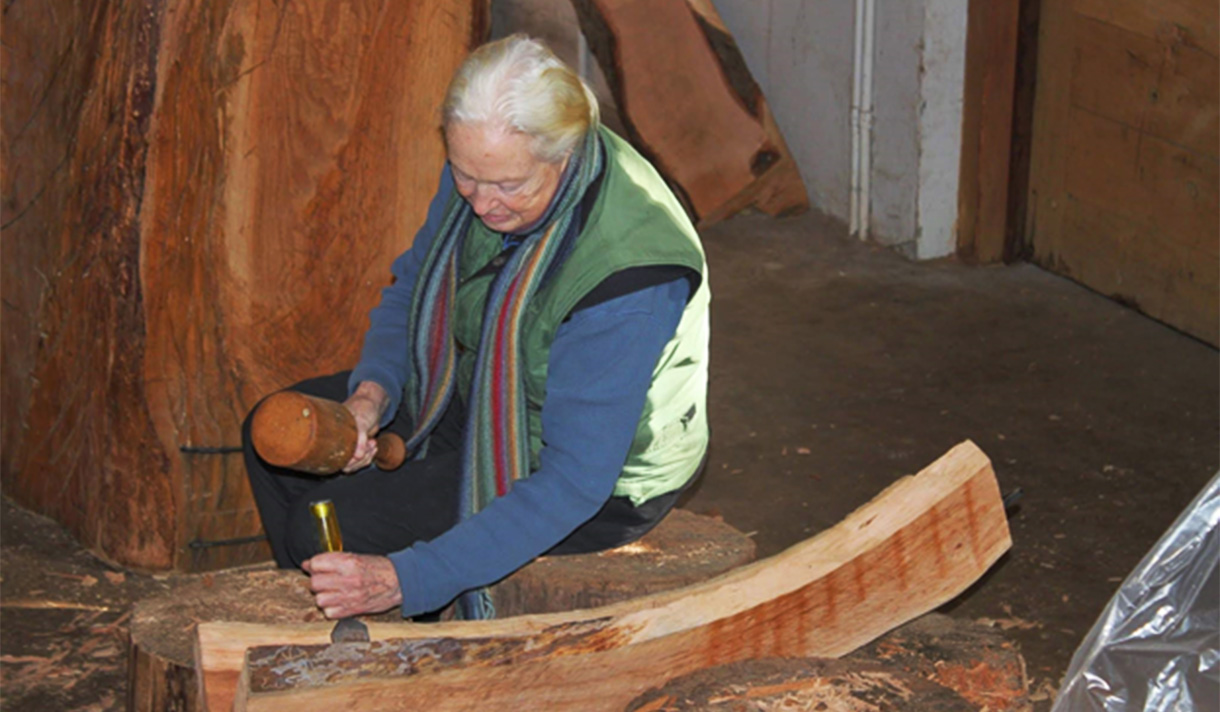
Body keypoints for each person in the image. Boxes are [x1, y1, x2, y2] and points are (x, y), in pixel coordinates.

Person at [243, 34, 710, 620]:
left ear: (564, 154)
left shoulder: (630, 277)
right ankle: (334, 625)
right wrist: (372, 394)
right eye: (466, 177)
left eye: (509, 187)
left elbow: (574, 483)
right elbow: (412, 287)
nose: (483, 204)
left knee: (334, 528)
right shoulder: (487, 161)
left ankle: (396, 656)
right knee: (272, 438)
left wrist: (407, 579)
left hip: (598, 478)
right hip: (487, 381)